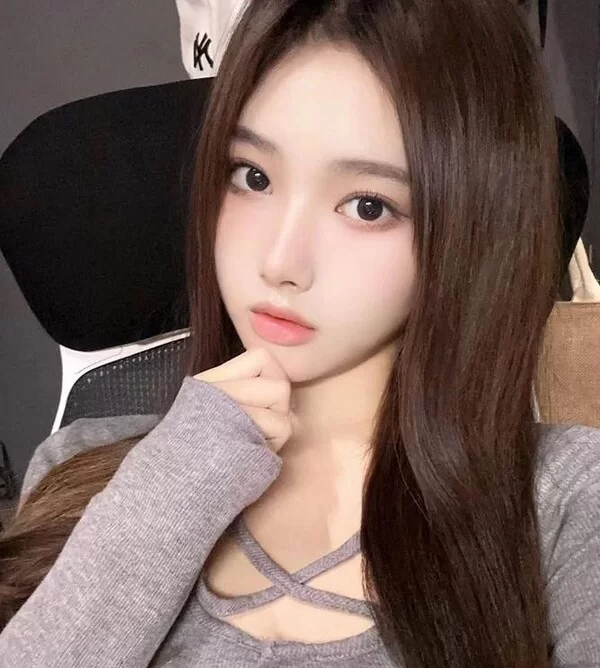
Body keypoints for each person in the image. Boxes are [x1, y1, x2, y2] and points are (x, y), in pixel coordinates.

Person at [0, 1, 599, 666]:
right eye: (252, 177)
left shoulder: (569, 503)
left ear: (471, 230)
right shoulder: (79, 474)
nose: (280, 261)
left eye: (367, 206)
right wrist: (169, 489)